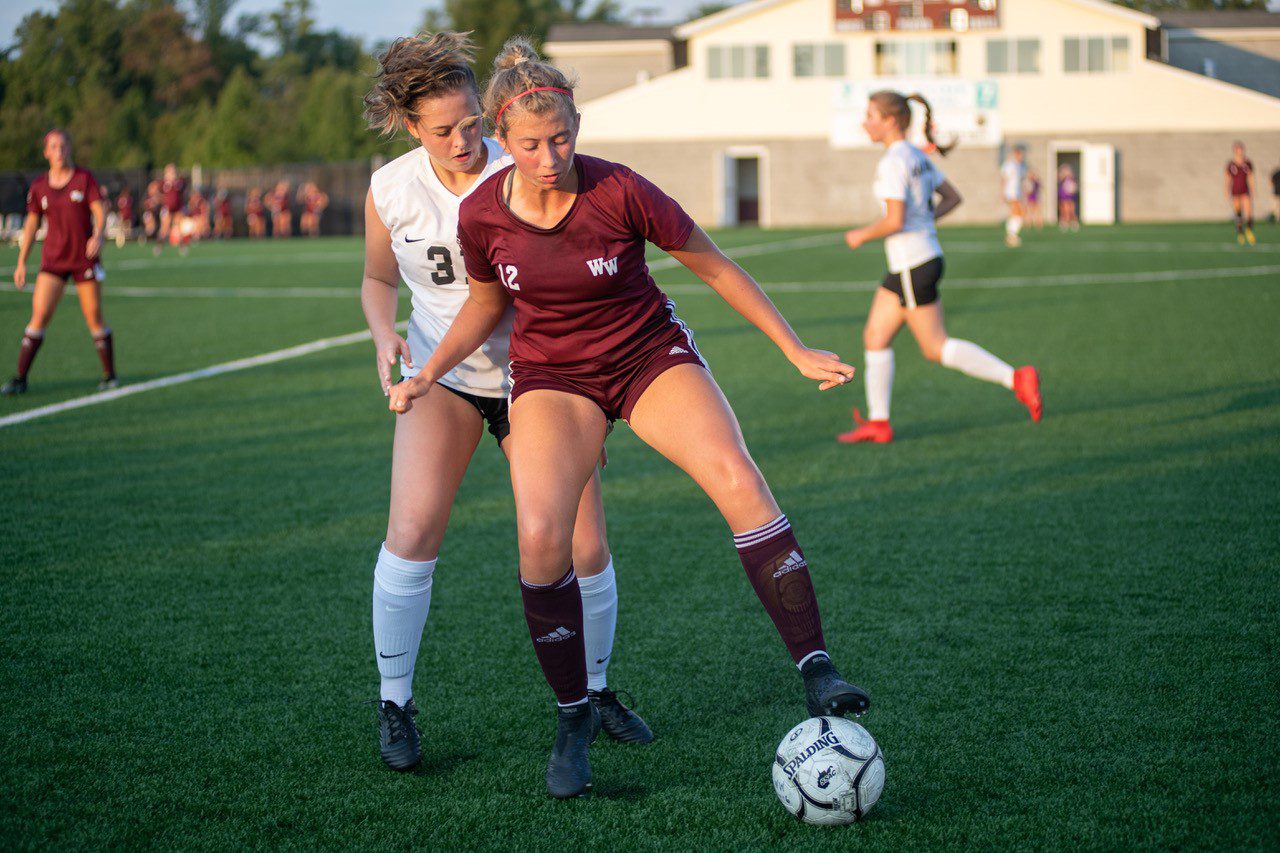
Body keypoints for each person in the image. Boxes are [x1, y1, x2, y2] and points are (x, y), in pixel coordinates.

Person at [388, 37, 871, 799]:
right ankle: (573, 715)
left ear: (577, 126)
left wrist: (794, 347)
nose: (550, 158)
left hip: (647, 355)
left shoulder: (622, 189)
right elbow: (484, 303)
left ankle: (817, 667)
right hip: (553, 378)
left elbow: (713, 264)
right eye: (531, 145)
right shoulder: (482, 213)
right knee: (541, 536)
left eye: (562, 139)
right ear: (503, 139)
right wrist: (427, 371)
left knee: (737, 476)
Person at [361, 32, 653, 774]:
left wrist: (596, 396)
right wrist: (383, 332)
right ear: (409, 126)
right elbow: (378, 279)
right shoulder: (390, 189)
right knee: (412, 529)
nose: (463, 141)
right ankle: (395, 702)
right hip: (444, 377)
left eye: (471, 123)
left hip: (546, 378)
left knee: (584, 544)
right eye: (442, 130)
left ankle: (594, 690)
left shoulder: (523, 162)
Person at [835, 91, 1041, 445]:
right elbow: (952, 198)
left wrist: (861, 235)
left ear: (890, 121)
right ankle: (879, 422)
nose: (864, 123)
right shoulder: (916, 155)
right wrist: (922, 220)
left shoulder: (893, 161)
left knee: (935, 346)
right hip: (917, 261)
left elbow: (895, 220)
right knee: (875, 336)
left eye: (870, 115)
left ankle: (1016, 378)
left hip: (912, 263)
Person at [3, 129, 117, 396]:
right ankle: (20, 378)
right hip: (53, 260)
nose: (59, 151)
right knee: (39, 315)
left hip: (83, 259)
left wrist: (98, 235)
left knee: (94, 317)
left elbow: (99, 210)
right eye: (53, 147)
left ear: (70, 148)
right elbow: (32, 225)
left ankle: (109, 375)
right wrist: (21, 261)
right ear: (46, 152)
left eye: (63, 145)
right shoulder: (39, 186)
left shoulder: (84, 179)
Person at [1226, 141, 1256, 245]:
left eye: (1241, 149)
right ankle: (1240, 233)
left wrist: (1253, 190)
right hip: (1235, 191)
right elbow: (1228, 178)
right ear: (1235, 151)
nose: (1240, 151)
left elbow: (1251, 177)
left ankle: (1249, 230)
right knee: (1238, 213)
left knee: (1249, 212)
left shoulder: (1248, 163)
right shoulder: (1231, 164)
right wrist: (1226, 191)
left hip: (1245, 190)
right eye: (1238, 149)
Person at [1000, 144, 1027, 247]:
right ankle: (1011, 236)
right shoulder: (1009, 165)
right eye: (1019, 154)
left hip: (1018, 192)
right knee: (1015, 212)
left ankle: (1012, 234)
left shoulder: (1021, 166)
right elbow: (1004, 178)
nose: (1021, 157)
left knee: (1019, 214)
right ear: (1016, 154)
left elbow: (1022, 181)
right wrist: (1002, 192)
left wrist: (1023, 193)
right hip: (1010, 192)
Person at [1057, 164, 1079, 232]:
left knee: (1071, 210)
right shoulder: (1062, 180)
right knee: (1064, 210)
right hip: (1063, 197)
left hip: (1071, 197)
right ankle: (1064, 223)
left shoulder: (1072, 179)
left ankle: (1074, 222)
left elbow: (1074, 187)